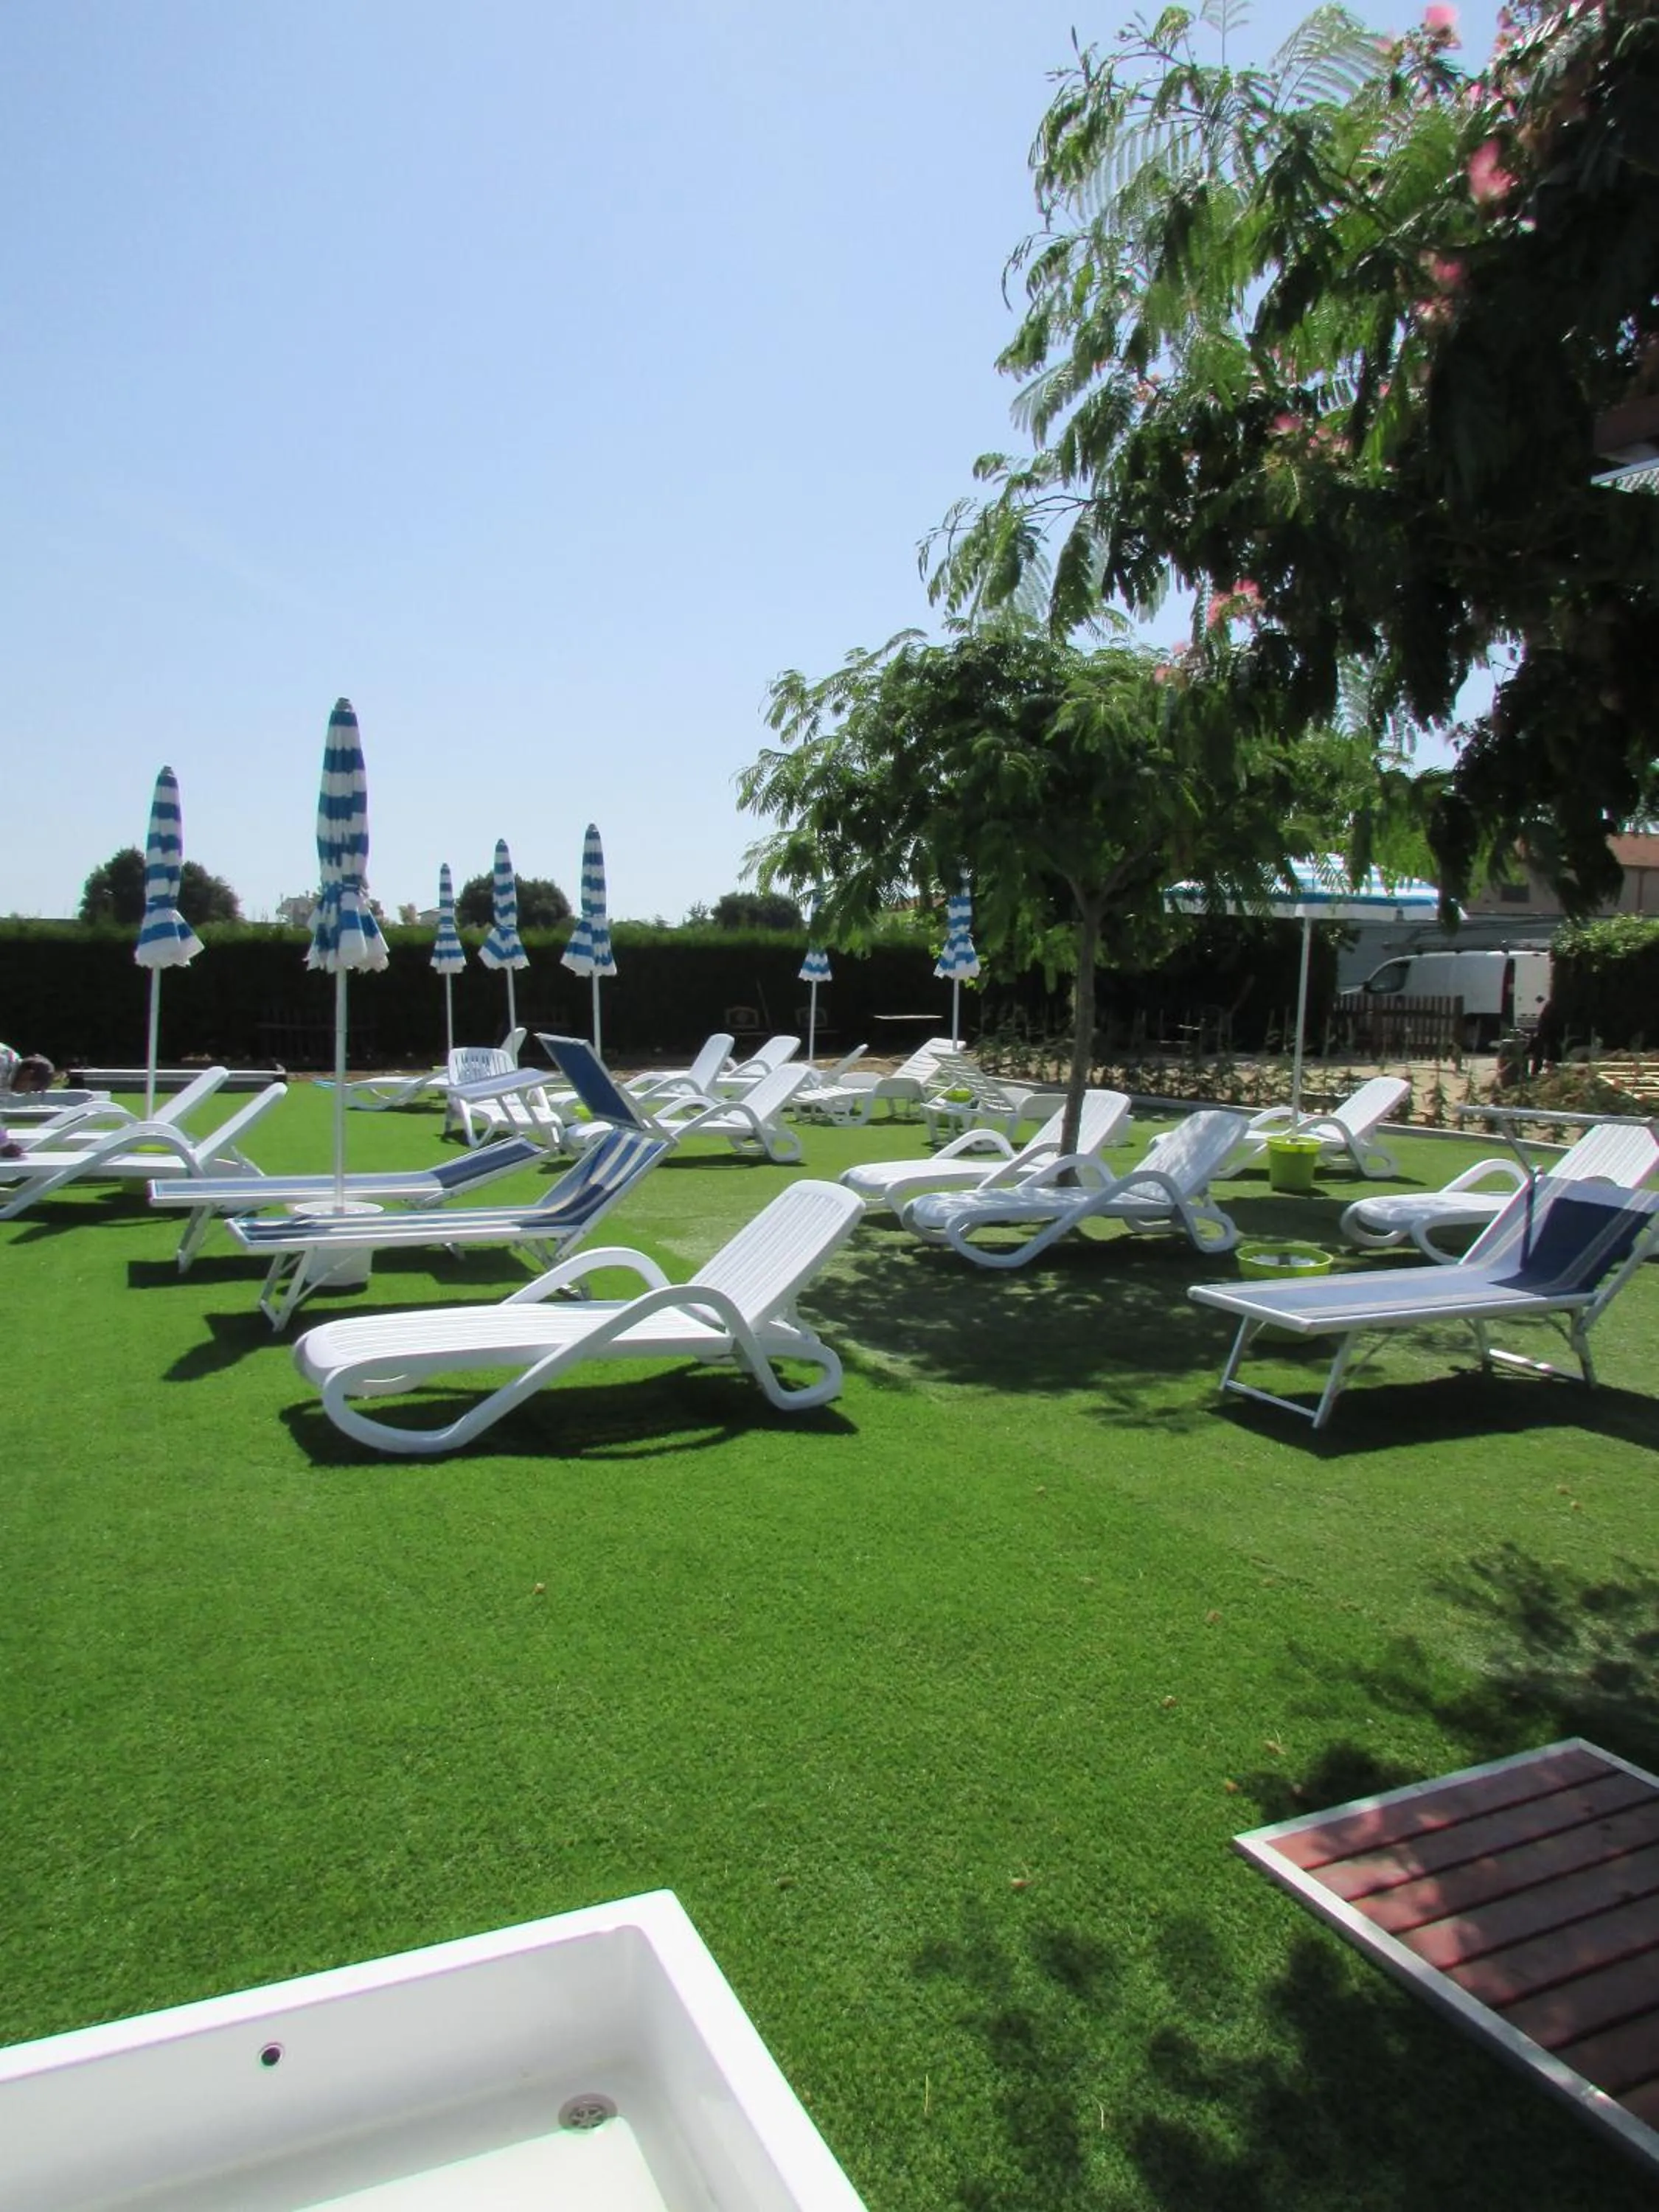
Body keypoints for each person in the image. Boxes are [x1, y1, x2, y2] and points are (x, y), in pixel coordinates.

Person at [0, 1054, 55, 1156]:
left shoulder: (10, 1064)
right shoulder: (2, 1066)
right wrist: (4, 1144)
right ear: (28, 1075)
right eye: (35, 1088)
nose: (28, 1093)